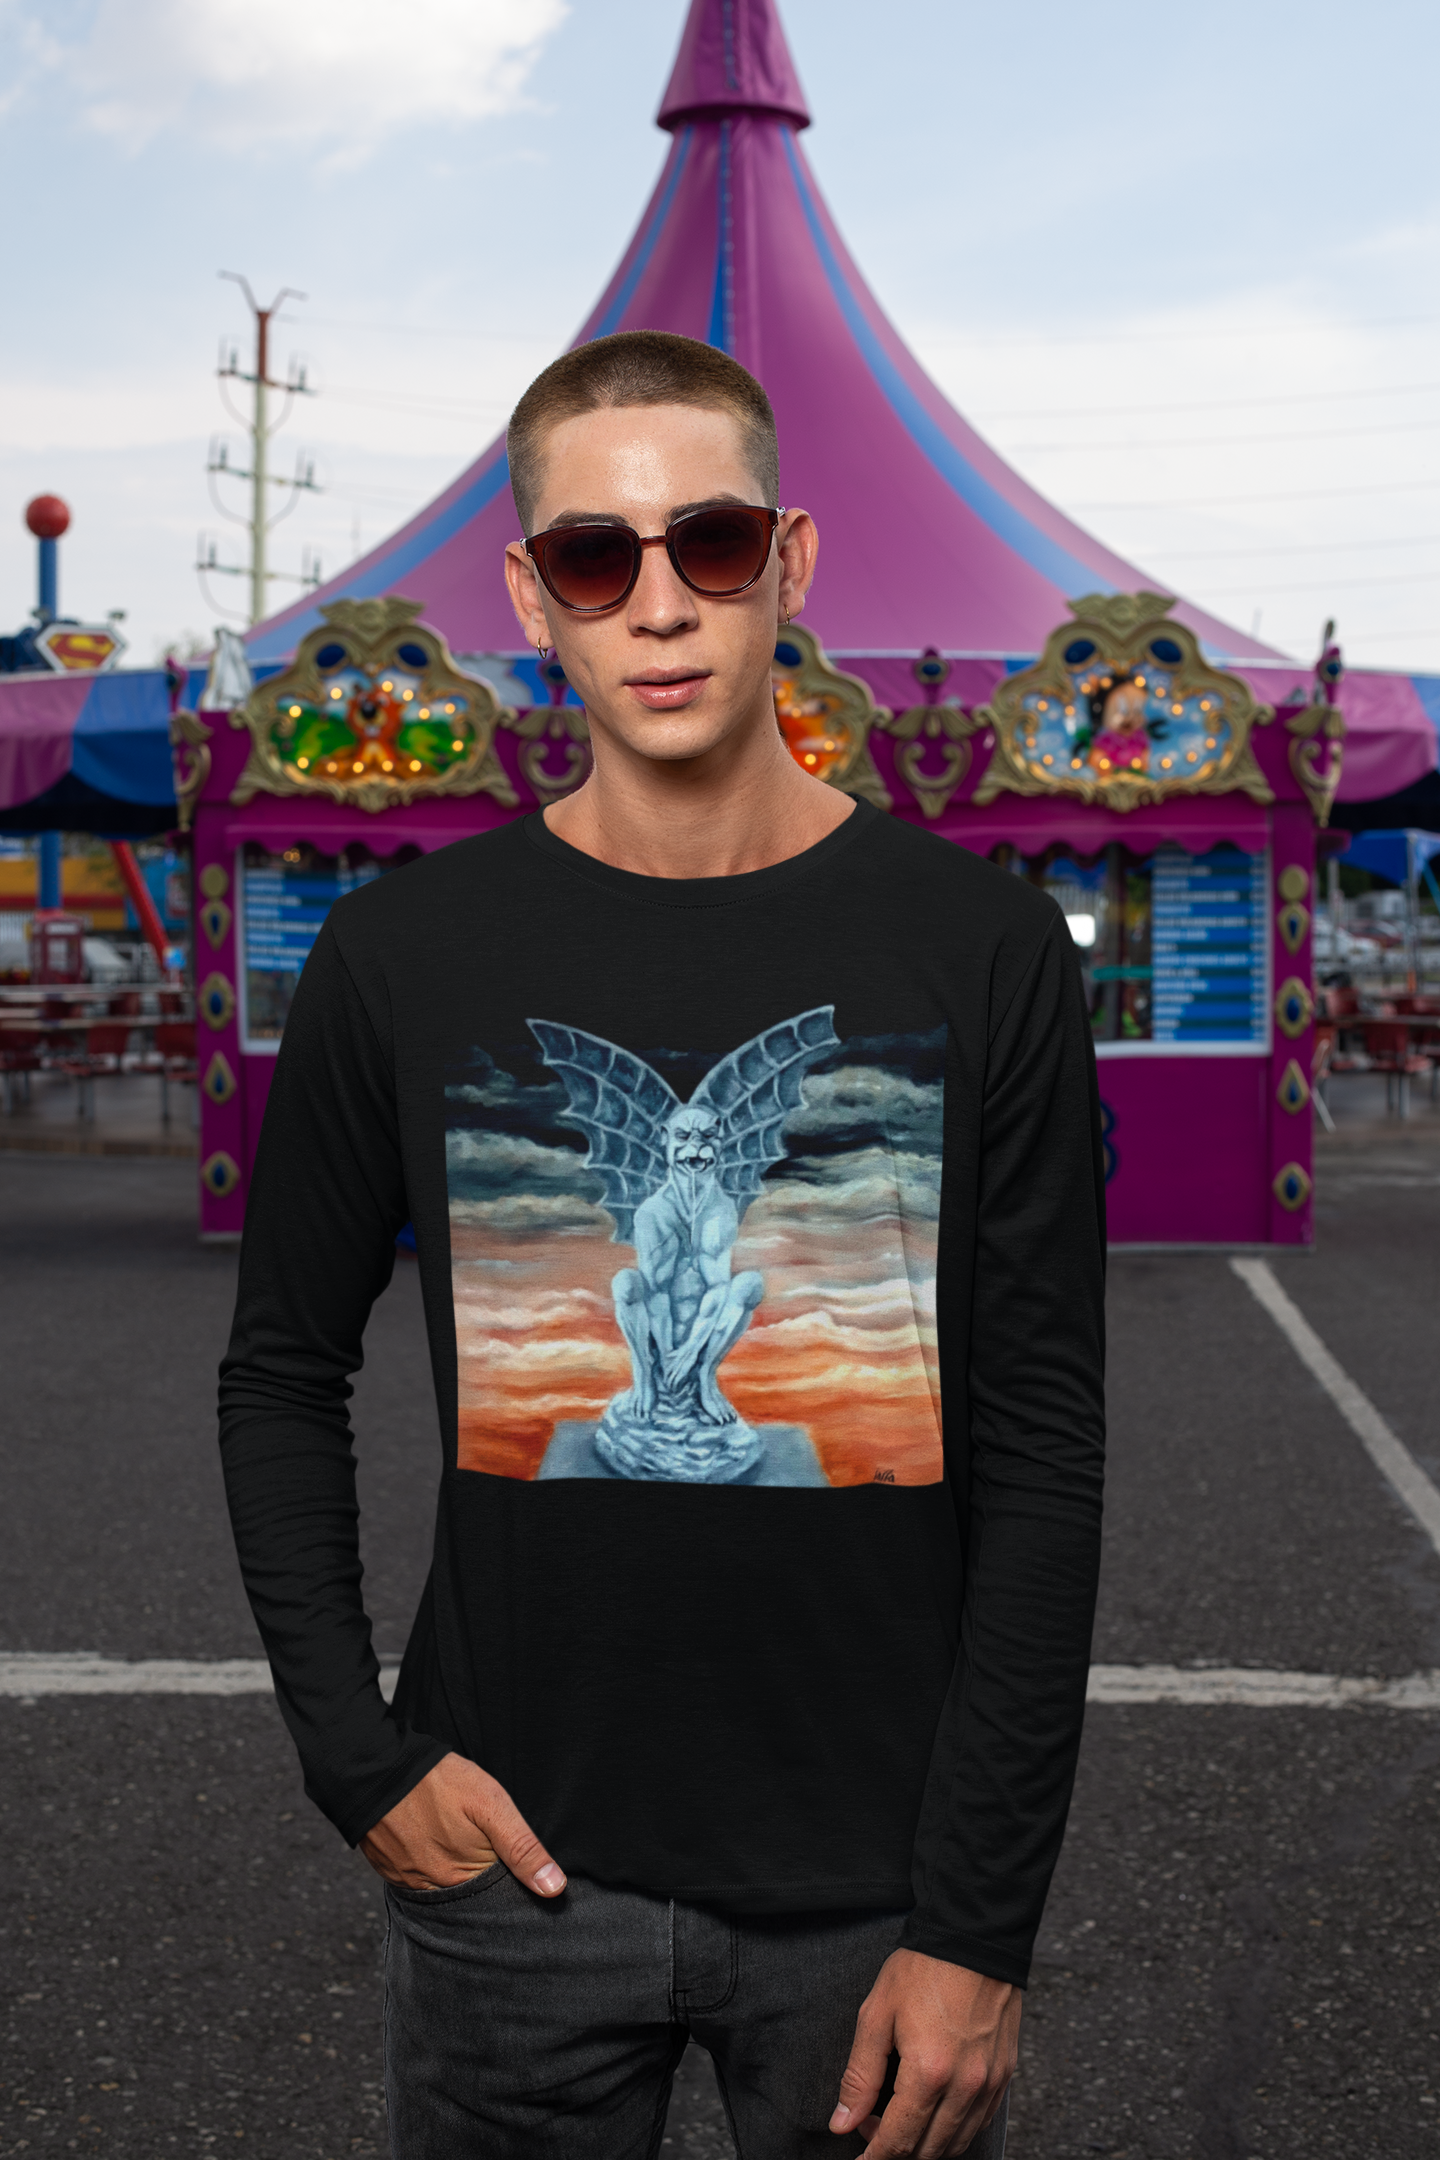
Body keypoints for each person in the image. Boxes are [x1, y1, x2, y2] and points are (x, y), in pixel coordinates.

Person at [219, 329, 1106, 2160]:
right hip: (512, 1883)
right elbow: (281, 1372)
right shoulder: (406, 963)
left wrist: (979, 1923)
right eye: (597, 558)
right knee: (658, 1305)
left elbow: (1042, 1450)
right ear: (530, 594)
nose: (660, 605)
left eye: (706, 543)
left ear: (788, 562)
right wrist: (358, 1759)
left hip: (877, 1894)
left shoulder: (983, 949)